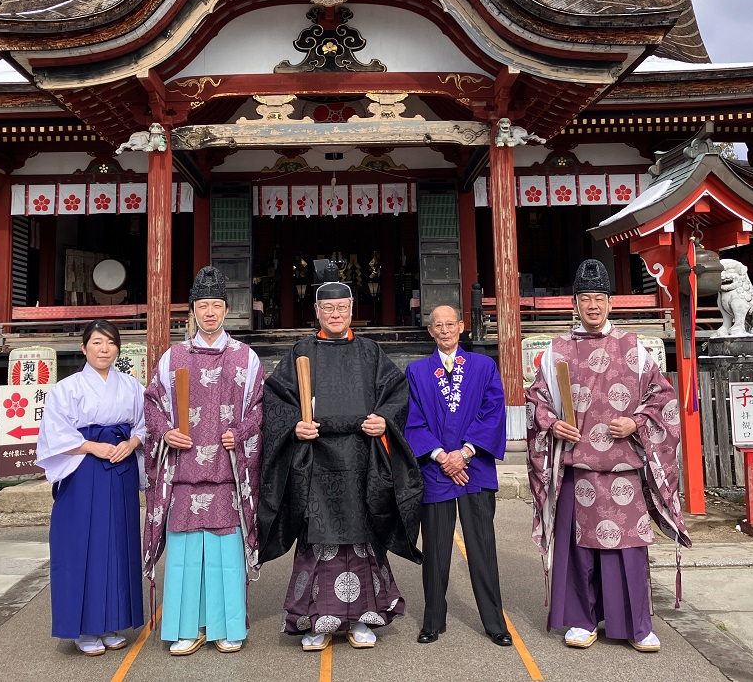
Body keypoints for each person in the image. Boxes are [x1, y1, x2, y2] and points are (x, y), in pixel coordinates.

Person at [526, 259, 690, 652]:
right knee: (580, 550)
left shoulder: (635, 348)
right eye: (586, 298)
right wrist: (552, 424)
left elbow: (664, 399)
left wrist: (636, 422)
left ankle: (637, 625)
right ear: (575, 303)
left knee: (629, 551)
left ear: (610, 303)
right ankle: (582, 620)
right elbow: (536, 401)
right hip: (578, 469)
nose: (593, 306)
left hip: (623, 470)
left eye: (599, 298)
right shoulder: (557, 350)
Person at [258, 267, 423, 652]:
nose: (335, 314)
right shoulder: (301, 351)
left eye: (342, 307)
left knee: (362, 537)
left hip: (360, 456)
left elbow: (397, 392)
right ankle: (315, 621)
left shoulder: (370, 352)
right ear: (316, 312)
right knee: (318, 539)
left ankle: (363, 619)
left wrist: (383, 420)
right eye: (328, 308)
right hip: (316, 459)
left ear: (352, 309)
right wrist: (295, 426)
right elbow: (276, 399)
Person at [142, 266, 264, 656]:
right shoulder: (173, 356)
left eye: (216, 305)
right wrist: (165, 433)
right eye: (202, 305)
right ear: (191, 311)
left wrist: (241, 434)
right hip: (184, 471)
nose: (209, 312)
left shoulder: (246, 358)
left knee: (226, 557)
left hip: (227, 472)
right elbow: (151, 403)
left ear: (227, 310)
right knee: (184, 557)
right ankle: (185, 628)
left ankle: (228, 626)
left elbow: (261, 409)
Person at [37, 319, 146, 656]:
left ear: (118, 349)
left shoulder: (131, 386)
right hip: (83, 470)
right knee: (80, 545)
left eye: (110, 343)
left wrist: (133, 442)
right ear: (84, 348)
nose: (104, 349)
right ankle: (84, 628)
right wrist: (91, 447)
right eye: (97, 342)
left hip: (120, 467)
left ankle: (113, 621)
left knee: (118, 544)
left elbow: (146, 423)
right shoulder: (66, 389)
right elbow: (55, 433)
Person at [404, 305, 512, 647]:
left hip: (474, 469)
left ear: (462, 327)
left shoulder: (483, 366)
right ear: (430, 330)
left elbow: (493, 412)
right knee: (436, 550)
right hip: (436, 472)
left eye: (451, 324)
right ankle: (433, 620)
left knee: (482, 548)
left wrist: (464, 453)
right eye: (439, 325)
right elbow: (412, 418)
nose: (446, 330)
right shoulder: (417, 371)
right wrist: (440, 456)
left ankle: (495, 622)